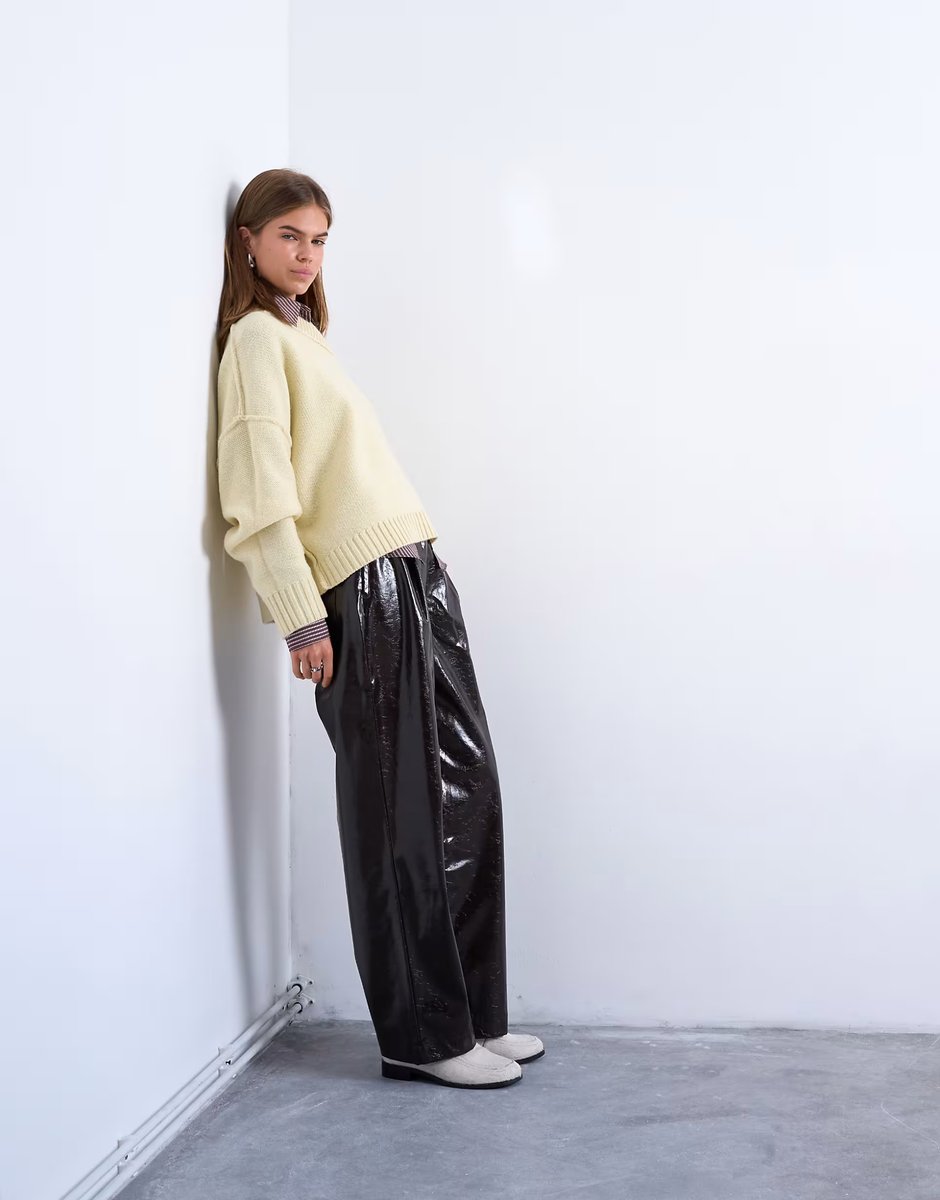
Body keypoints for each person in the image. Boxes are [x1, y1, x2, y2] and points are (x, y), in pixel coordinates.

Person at [214, 168, 544, 1089]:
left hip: (413, 569)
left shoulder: (304, 336)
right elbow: (258, 499)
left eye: (319, 239)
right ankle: (420, 1038)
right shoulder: (253, 342)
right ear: (249, 241)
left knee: (464, 791)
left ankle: (471, 1016)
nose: (307, 255)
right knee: (398, 812)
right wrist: (299, 619)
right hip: (357, 590)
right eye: (289, 236)